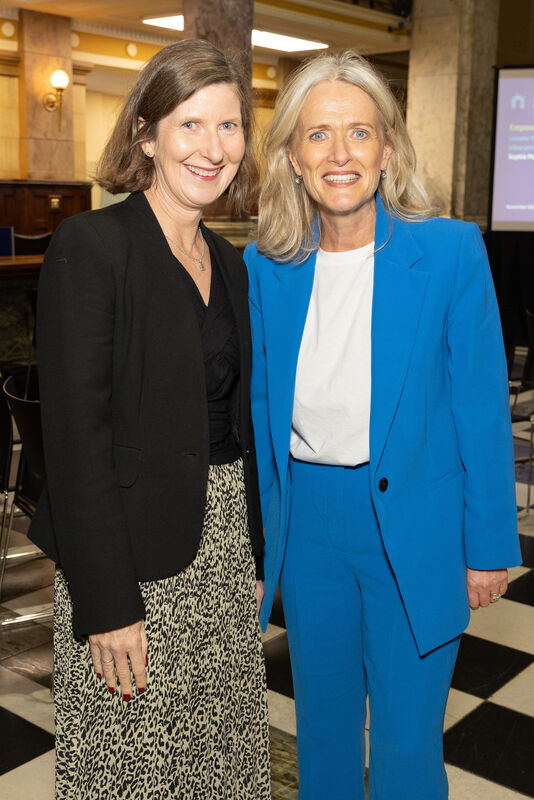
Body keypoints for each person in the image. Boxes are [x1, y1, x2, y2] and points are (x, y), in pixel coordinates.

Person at [244, 49, 522, 800]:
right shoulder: (266, 267)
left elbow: (479, 409)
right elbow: (260, 409)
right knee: (324, 742)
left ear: (387, 149)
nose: (340, 155)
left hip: (415, 529)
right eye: (318, 136)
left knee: (404, 751)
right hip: (309, 533)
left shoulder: (450, 252)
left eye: (359, 134)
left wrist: (488, 544)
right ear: (293, 159)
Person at [30, 39, 270, 800]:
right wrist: (107, 604)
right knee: (133, 768)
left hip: (223, 548)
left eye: (229, 127)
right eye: (190, 124)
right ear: (146, 133)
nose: (213, 147)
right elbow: (74, 447)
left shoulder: (229, 260)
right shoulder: (93, 247)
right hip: (129, 558)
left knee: (216, 756)